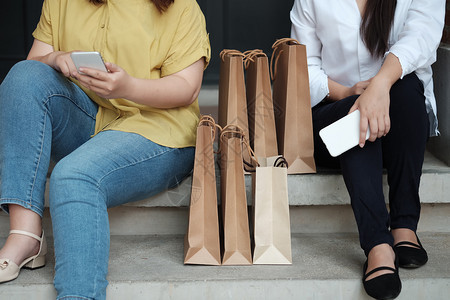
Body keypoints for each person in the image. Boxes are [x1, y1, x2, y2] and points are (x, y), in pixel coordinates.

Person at [0, 0, 210, 298]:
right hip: (90, 117)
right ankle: (26, 235)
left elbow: (187, 88)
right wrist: (57, 57)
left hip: (160, 130)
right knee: (23, 77)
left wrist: (128, 88)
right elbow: (34, 63)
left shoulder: (182, 7)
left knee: (74, 176)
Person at [291, 0, 445, 299]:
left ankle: (404, 226)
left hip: (398, 124)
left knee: (406, 87)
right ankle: (378, 244)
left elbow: (422, 37)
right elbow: (302, 68)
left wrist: (379, 85)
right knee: (355, 114)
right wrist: (349, 93)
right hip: (333, 123)